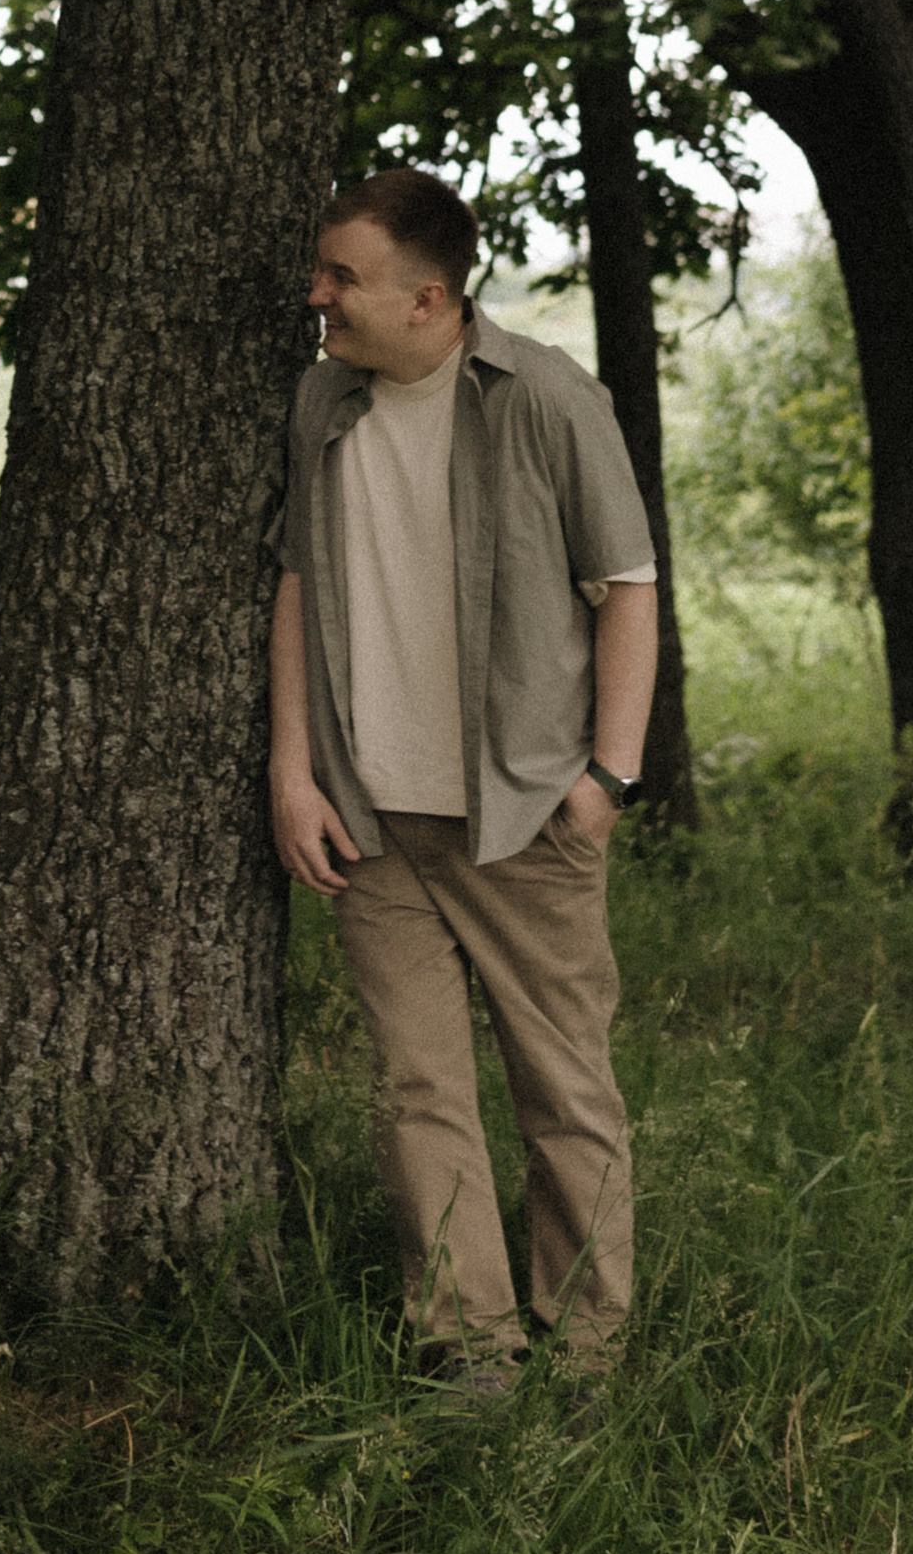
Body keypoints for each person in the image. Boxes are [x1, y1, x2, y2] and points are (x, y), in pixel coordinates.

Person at [267, 168, 657, 1390]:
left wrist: (605, 778)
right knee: (416, 1090)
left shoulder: (544, 397)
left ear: (428, 298)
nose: (317, 293)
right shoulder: (321, 401)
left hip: (523, 812)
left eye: (342, 277)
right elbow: (292, 582)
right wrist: (293, 765)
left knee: (563, 1089)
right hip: (371, 815)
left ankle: (586, 1353)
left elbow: (628, 586)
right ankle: (468, 1349)